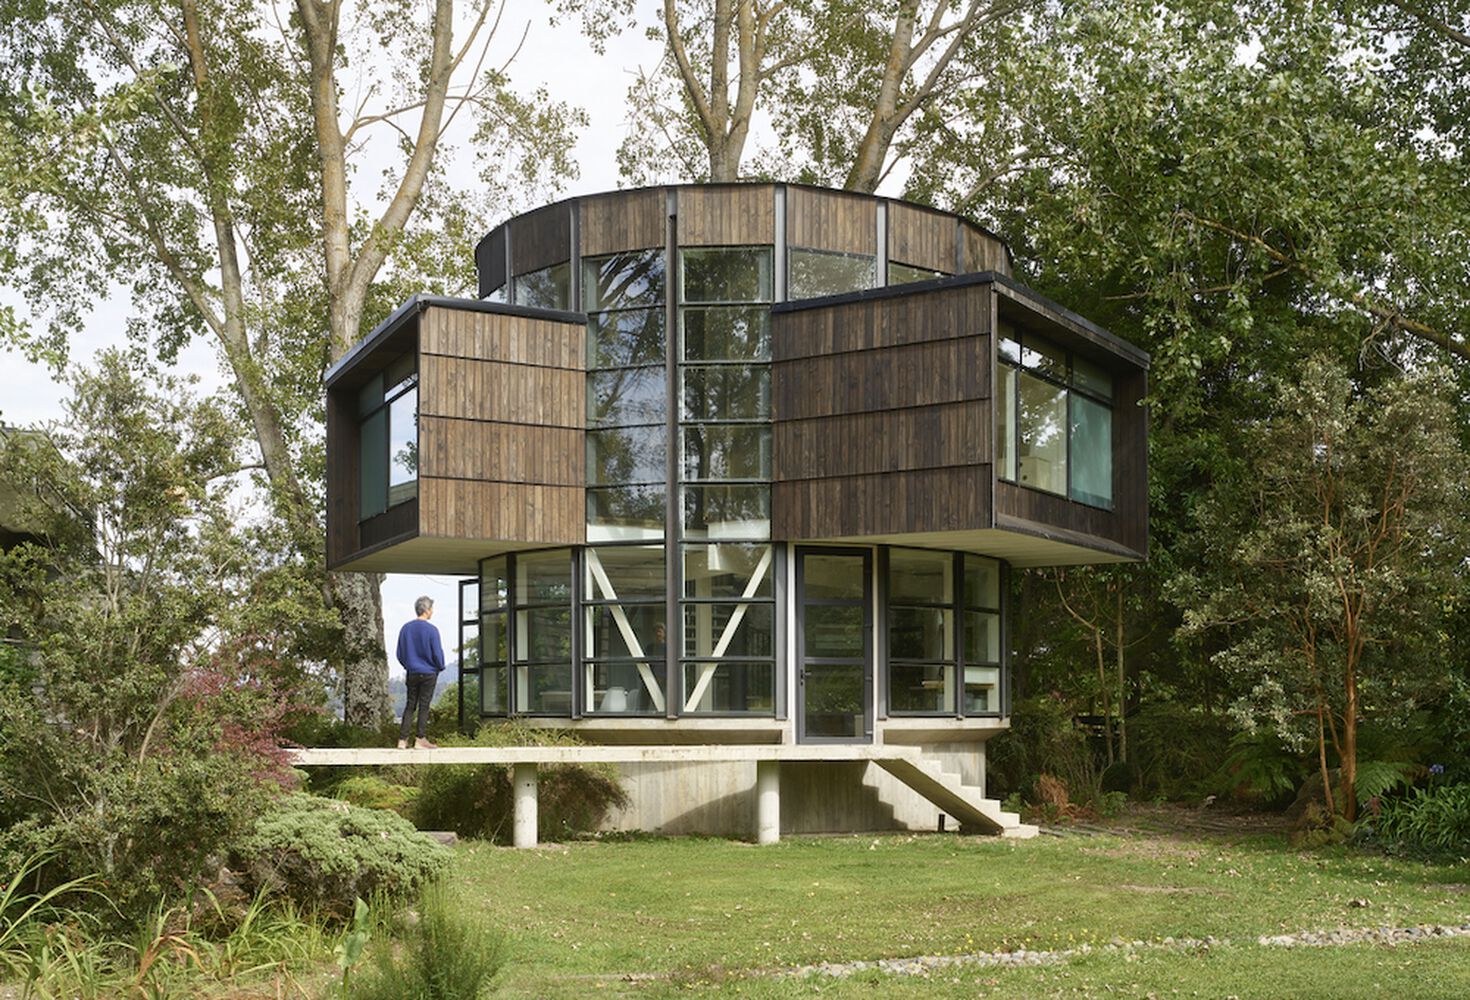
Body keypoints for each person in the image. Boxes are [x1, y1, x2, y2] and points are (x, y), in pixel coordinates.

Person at [396, 595, 445, 749]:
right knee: (424, 706)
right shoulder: (432, 630)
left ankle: (402, 740)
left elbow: (400, 653)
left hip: (412, 671)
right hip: (429, 673)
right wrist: (440, 666)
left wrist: (409, 665)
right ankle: (420, 739)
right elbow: (437, 653)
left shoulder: (406, 628)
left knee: (410, 705)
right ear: (427, 610)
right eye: (432, 609)